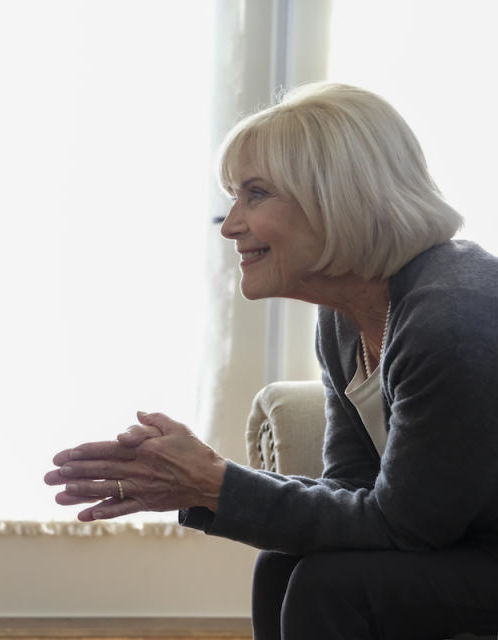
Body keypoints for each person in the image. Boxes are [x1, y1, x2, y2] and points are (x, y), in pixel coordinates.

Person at [45, 82, 498, 639]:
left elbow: (404, 527)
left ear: (339, 196)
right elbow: (354, 489)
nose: (231, 224)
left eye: (255, 194)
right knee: (282, 564)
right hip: (467, 544)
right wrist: (206, 483)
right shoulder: (345, 317)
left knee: (328, 587)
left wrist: (213, 484)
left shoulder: (450, 320)